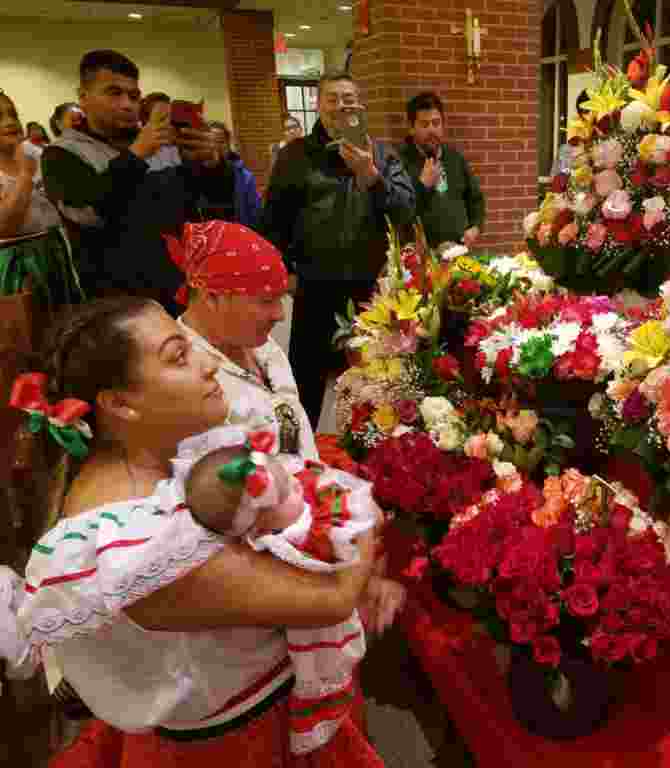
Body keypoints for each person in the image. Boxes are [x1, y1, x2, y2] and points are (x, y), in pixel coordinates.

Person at [0, 295, 400, 765]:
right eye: (179, 356)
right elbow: (331, 600)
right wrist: (362, 513)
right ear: (121, 405)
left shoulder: (168, 463)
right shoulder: (136, 548)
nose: (210, 363)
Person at [179, 426, 383, 757]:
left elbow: (304, 478)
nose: (296, 488)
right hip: (306, 643)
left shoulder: (280, 512)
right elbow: (339, 550)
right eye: (287, 491)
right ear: (257, 525)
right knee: (324, 675)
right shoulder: (287, 542)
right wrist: (360, 518)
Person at [260, 70, 415, 423]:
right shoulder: (294, 155)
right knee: (305, 380)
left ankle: (374, 450)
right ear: (318, 105)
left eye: (348, 98)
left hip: (368, 289)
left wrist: (371, 178)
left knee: (375, 378)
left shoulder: (381, 154)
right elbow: (273, 220)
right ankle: (298, 449)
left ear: (358, 104)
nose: (340, 106)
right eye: (332, 99)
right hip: (314, 285)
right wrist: (283, 271)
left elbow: (406, 211)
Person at [42, 50, 235, 313]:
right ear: (83, 97)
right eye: (114, 93)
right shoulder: (62, 153)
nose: (127, 104)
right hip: (119, 300)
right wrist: (136, 155)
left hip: (184, 288)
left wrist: (213, 166)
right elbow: (88, 214)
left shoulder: (165, 143)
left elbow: (210, 205)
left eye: (133, 96)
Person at [170, 220, 315, 465]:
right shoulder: (186, 381)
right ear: (211, 297)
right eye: (267, 301)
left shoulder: (257, 343)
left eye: (281, 299)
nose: (280, 314)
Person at [398, 91, 485, 249]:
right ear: (411, 128)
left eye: (436, 123)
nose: (432, 130)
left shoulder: (455, 159)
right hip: (421, 260)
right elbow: (399, 213)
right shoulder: (399, 163)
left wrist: (476, 227)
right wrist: (422, 185)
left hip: (457, 253)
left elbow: (475, 200)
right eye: (425, 124)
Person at [0, 91, 62, 237]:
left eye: (13, 115)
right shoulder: (25, 168)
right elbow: (3, 228)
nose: (10, 122)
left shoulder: (39, 156)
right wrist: (25, 175)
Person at [209, 120, 263, 228]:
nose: (216, 147)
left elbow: (255, 215)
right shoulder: (195, 175)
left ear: (228, 144)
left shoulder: (245, 177)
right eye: (211, 142)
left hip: (238, 236)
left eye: (221, 141)